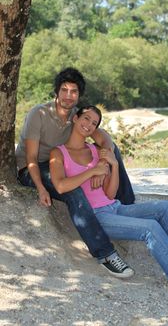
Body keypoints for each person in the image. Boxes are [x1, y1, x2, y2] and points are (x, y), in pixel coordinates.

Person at [50, 105, 168, 298]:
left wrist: (113, 165)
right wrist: (91, 172)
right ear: (75, 118)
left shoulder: (97, 152)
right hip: (97, 217)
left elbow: (110, 193)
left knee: (165, 208)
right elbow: (61, 186)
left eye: (94, 123)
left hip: (114, 207)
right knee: (149, 228)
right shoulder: (59, 153)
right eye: (86, 118)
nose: (89, 125)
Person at [16, 67, 135, 278]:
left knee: (112, 153)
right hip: (33, 168)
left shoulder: (77, 115)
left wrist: (104, 165)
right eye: (64, 90)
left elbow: (104, 139)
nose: (68, 96)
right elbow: (31, 159)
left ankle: (125, 206)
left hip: (58, 163)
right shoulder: (39, 113)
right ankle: (106, 254)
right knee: (73, 190)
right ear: (56, 91)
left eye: (74, 91)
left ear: (79, 95)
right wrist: (41, 187)